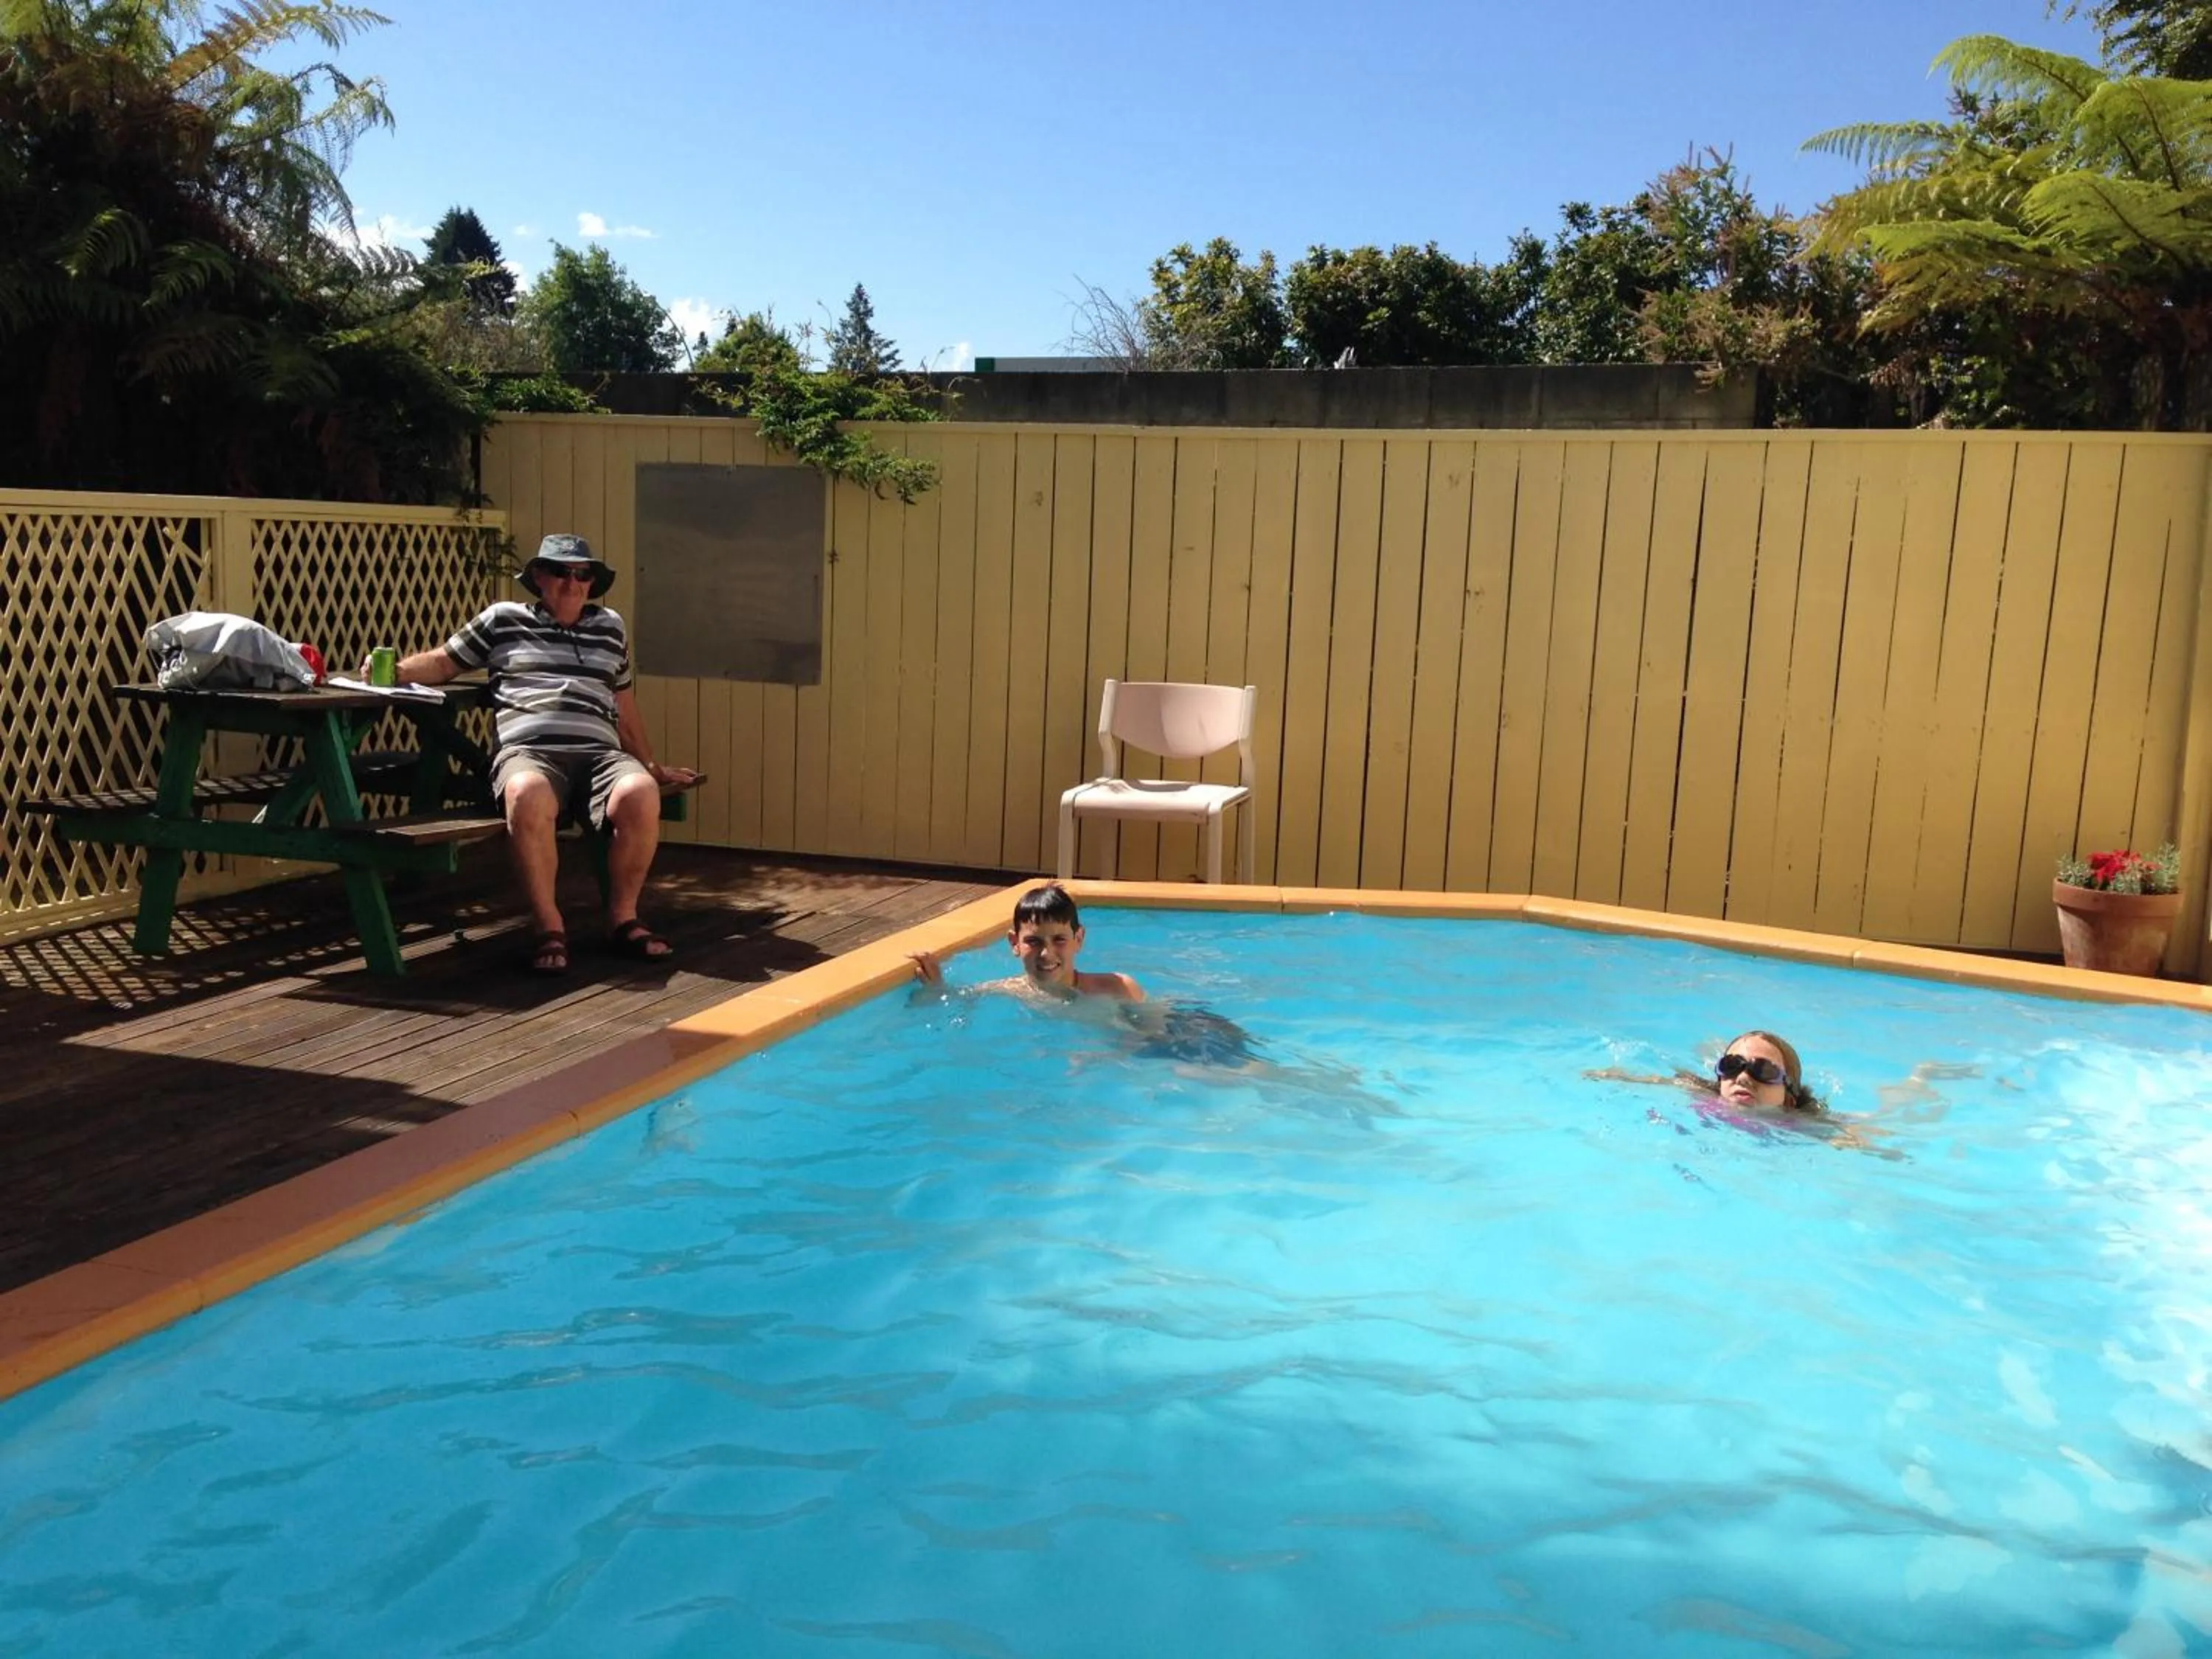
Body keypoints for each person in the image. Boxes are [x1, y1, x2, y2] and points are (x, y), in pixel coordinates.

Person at [366, 532, 698, 975]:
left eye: (583, 574)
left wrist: (652, 766)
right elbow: (445, 662)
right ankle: (549, 926)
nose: (573, 582)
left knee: (640, 793)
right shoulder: (503, 620)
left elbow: (623, 704)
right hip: (529, 753)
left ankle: (623, 919)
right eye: (561, 571)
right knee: (526, 793)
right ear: (540, 576)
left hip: (599, 755)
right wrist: (395, 671)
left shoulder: (609, 627)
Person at [910, 882, 1143, 1004]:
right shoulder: (1007, 992)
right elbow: (952, 1000)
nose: (1046, 953)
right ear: (1015, 943)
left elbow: (1157, 1034)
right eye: (1033, 941)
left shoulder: (1118, 988)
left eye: (1059, 939)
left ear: (1078, 939)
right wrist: (936, 987)